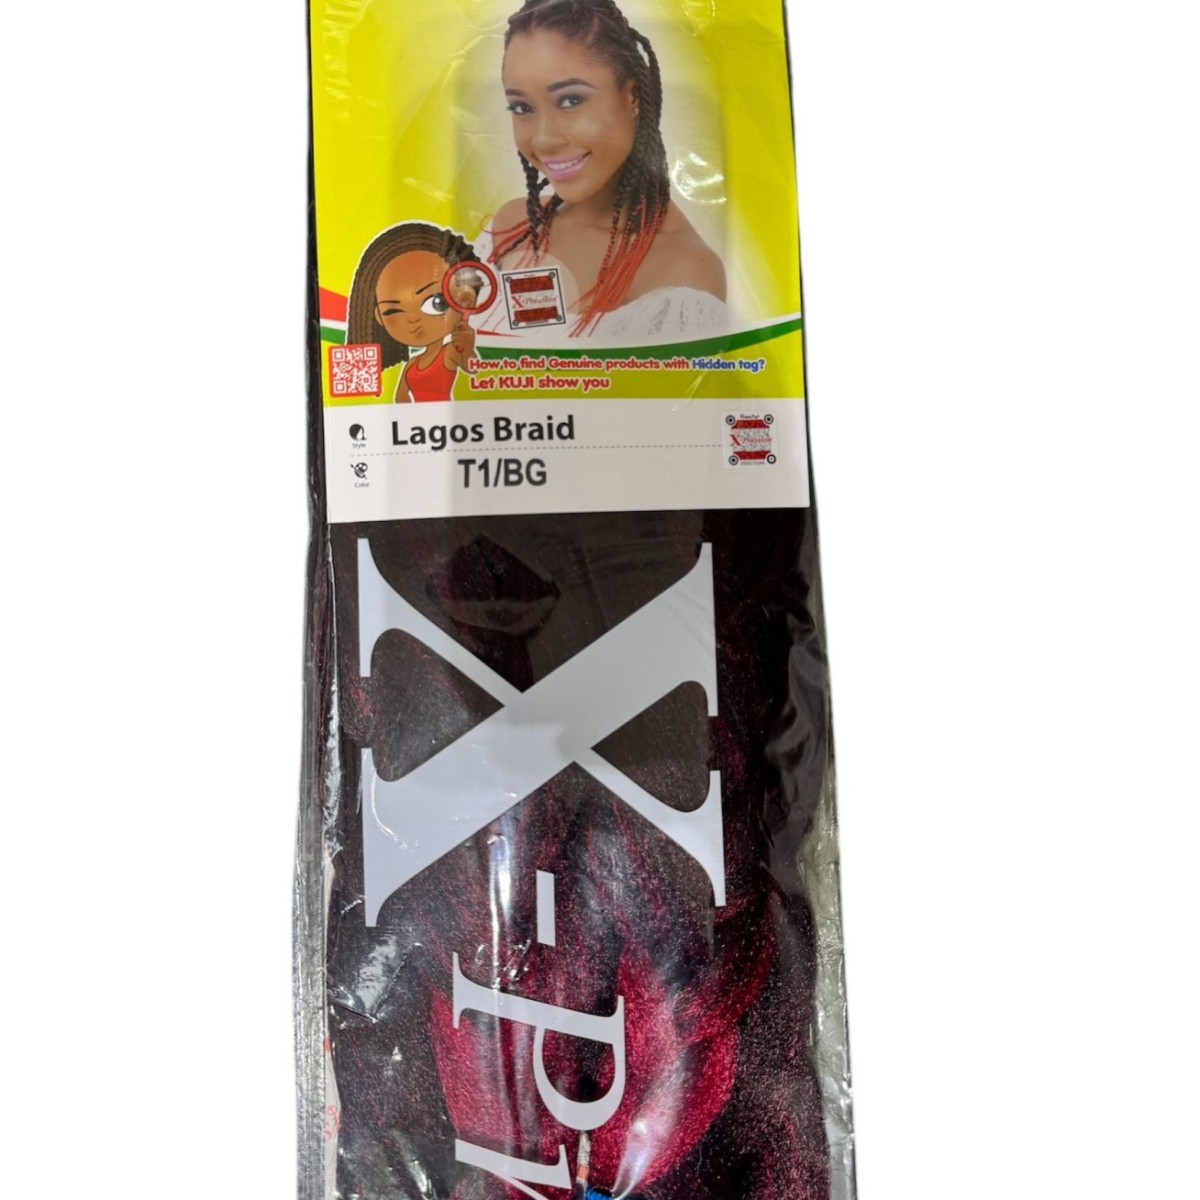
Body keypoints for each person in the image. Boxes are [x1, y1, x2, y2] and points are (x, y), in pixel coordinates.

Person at [482, 0, 727, 339]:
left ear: (632, 97)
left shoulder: (683, 272)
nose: (543, 139)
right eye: (522, 107)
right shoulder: (516, 226)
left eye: (570, 100)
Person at [346, 223, 479, 403]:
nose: (413, 318)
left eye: (436, 302)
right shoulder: (411, 364)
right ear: (379, 317)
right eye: (393, 311)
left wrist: (467, 347)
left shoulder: (449, 353)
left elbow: (472, 368)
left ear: (465, 300)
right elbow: (400, 397)